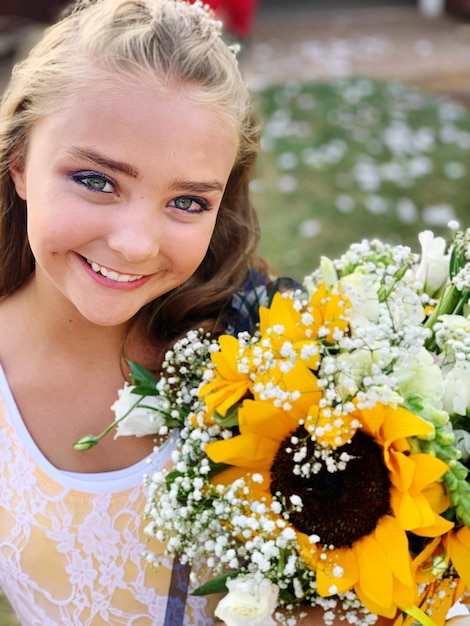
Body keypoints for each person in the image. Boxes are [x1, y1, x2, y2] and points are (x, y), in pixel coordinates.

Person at [0, 0, 449, 624]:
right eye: (97, 180)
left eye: (186, 201)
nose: (135, 243)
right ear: (19, 161)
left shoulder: (276, 361)